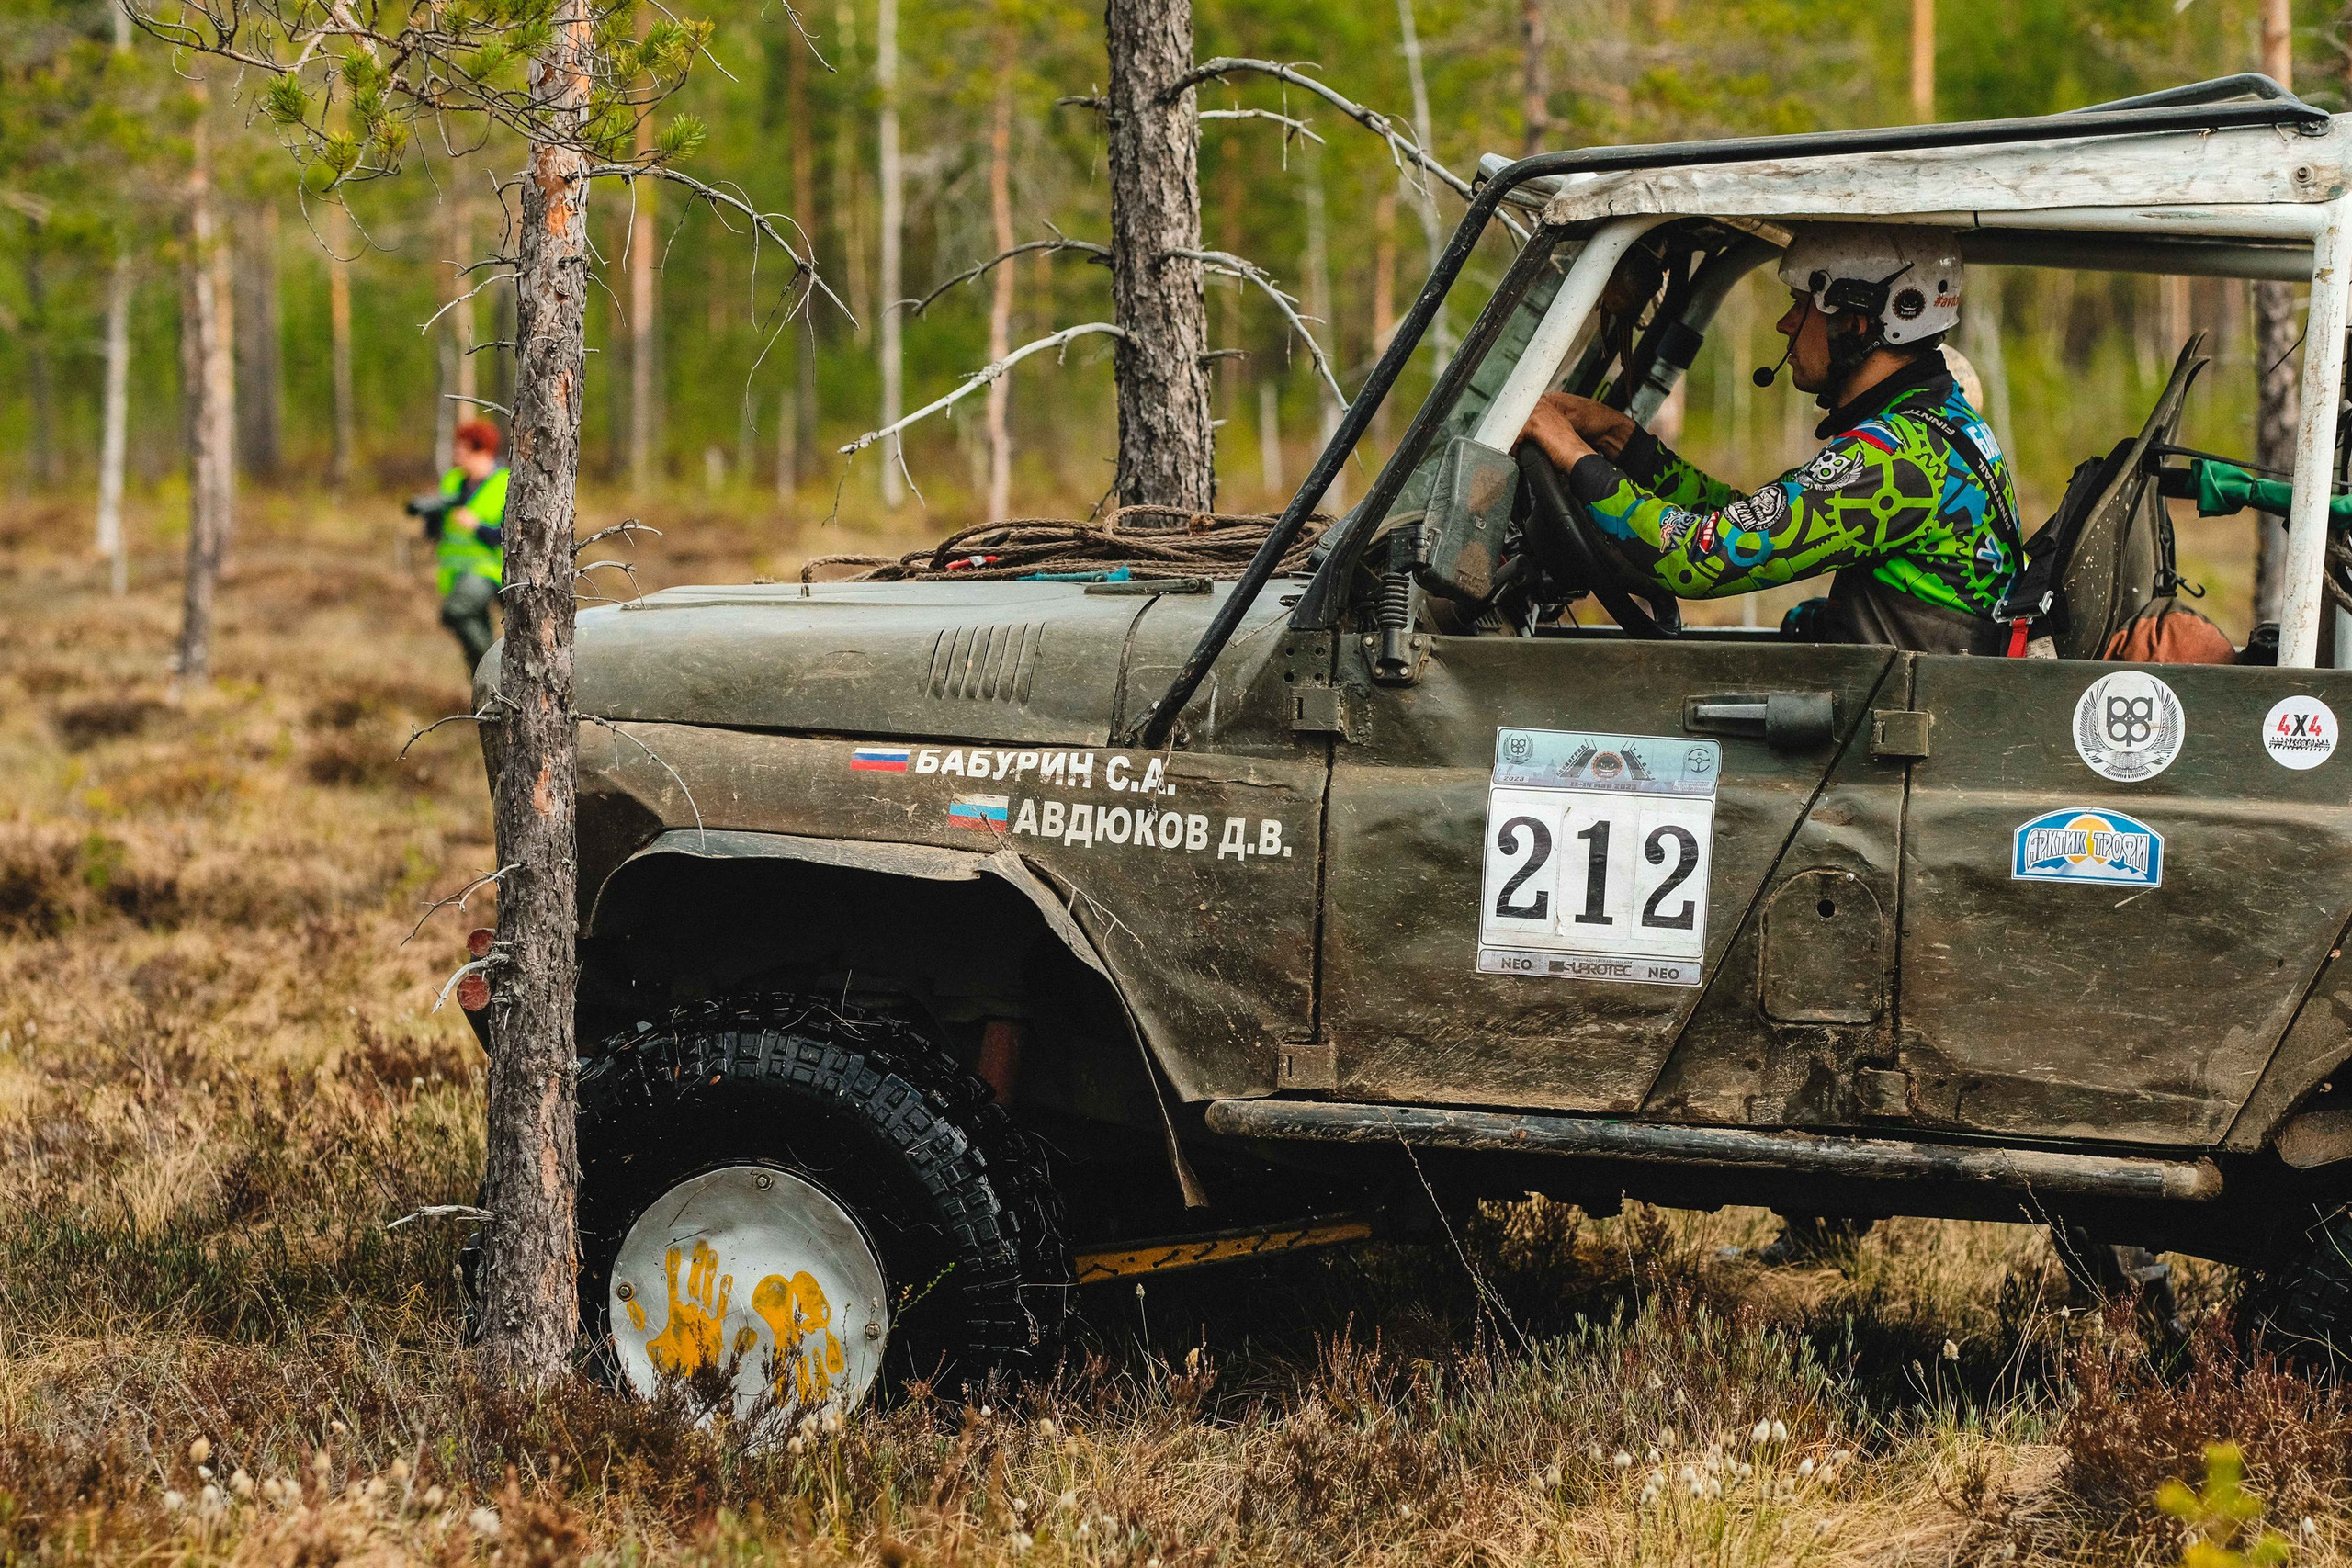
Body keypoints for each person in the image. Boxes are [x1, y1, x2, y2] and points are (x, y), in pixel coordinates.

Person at [1517, 225, 2022, 655]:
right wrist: (1624, 443)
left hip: (1892, 746)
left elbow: (1696, 558)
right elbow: (1751, 520)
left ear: (1856, 321)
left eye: (1802, 305)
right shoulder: (1939, 425)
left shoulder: (1896, 459)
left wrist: (1574, 456)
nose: (1784, 324)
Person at [430, 420, 510, 672]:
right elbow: (437, 531)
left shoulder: (506, 482)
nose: (457, 455)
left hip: (490, 570)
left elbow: (510, 536)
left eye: (463, 450)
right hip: (455, 572)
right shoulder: (453, 480)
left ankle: (494, 668)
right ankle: (486, 690)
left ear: (483, 451)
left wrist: (476, 527)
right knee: (472, 635)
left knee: (456, 611)